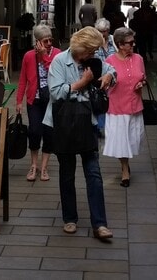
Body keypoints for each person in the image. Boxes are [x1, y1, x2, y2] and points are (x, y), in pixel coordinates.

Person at [45, 26, 116, 240]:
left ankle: (100, 224)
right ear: (80, 48)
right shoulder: (59, 61)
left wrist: (109, 77)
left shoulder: (93, 61)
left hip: (88, 122)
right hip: (65, 122)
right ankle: (70, 219)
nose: (93, 55)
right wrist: (81, 84)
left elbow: (111, 69)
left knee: (93, 173)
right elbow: (56, 93)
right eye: (90, 51)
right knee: (67, 173)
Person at [15, 24, 60, 182]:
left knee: (49, 133)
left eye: (50, 40)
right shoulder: (28, 56)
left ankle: (44, 167)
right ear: (38, 42)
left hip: (51, 100)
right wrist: (19, 101)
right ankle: (34, 165)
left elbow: (54, 73)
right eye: (45, 41)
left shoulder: (57, 55)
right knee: (34, 131)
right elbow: (22, 80)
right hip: (34, 99)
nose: (49, 44)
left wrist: (45, 57)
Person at [103, 27, 146, 188]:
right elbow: (103, 84)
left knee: (133, 140)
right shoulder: (109, 62)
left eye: (133, 42)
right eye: (130, 43)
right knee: (121, 141)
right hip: (117, 106)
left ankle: (126, 164)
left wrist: (141, 83)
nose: (133, 45)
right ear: (120, 45)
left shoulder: (139, 59)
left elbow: (143, 77)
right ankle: (124, 170)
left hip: (135, 105)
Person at [93, 18, 116, 136]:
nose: (102, 34)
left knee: (111, 103)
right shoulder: (93, 42)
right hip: (98, 79)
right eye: (99, 31)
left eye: (104, 31)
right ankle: (100, 127)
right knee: (100, 102)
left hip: (113, 78)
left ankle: (110, 126)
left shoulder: (114, 41)